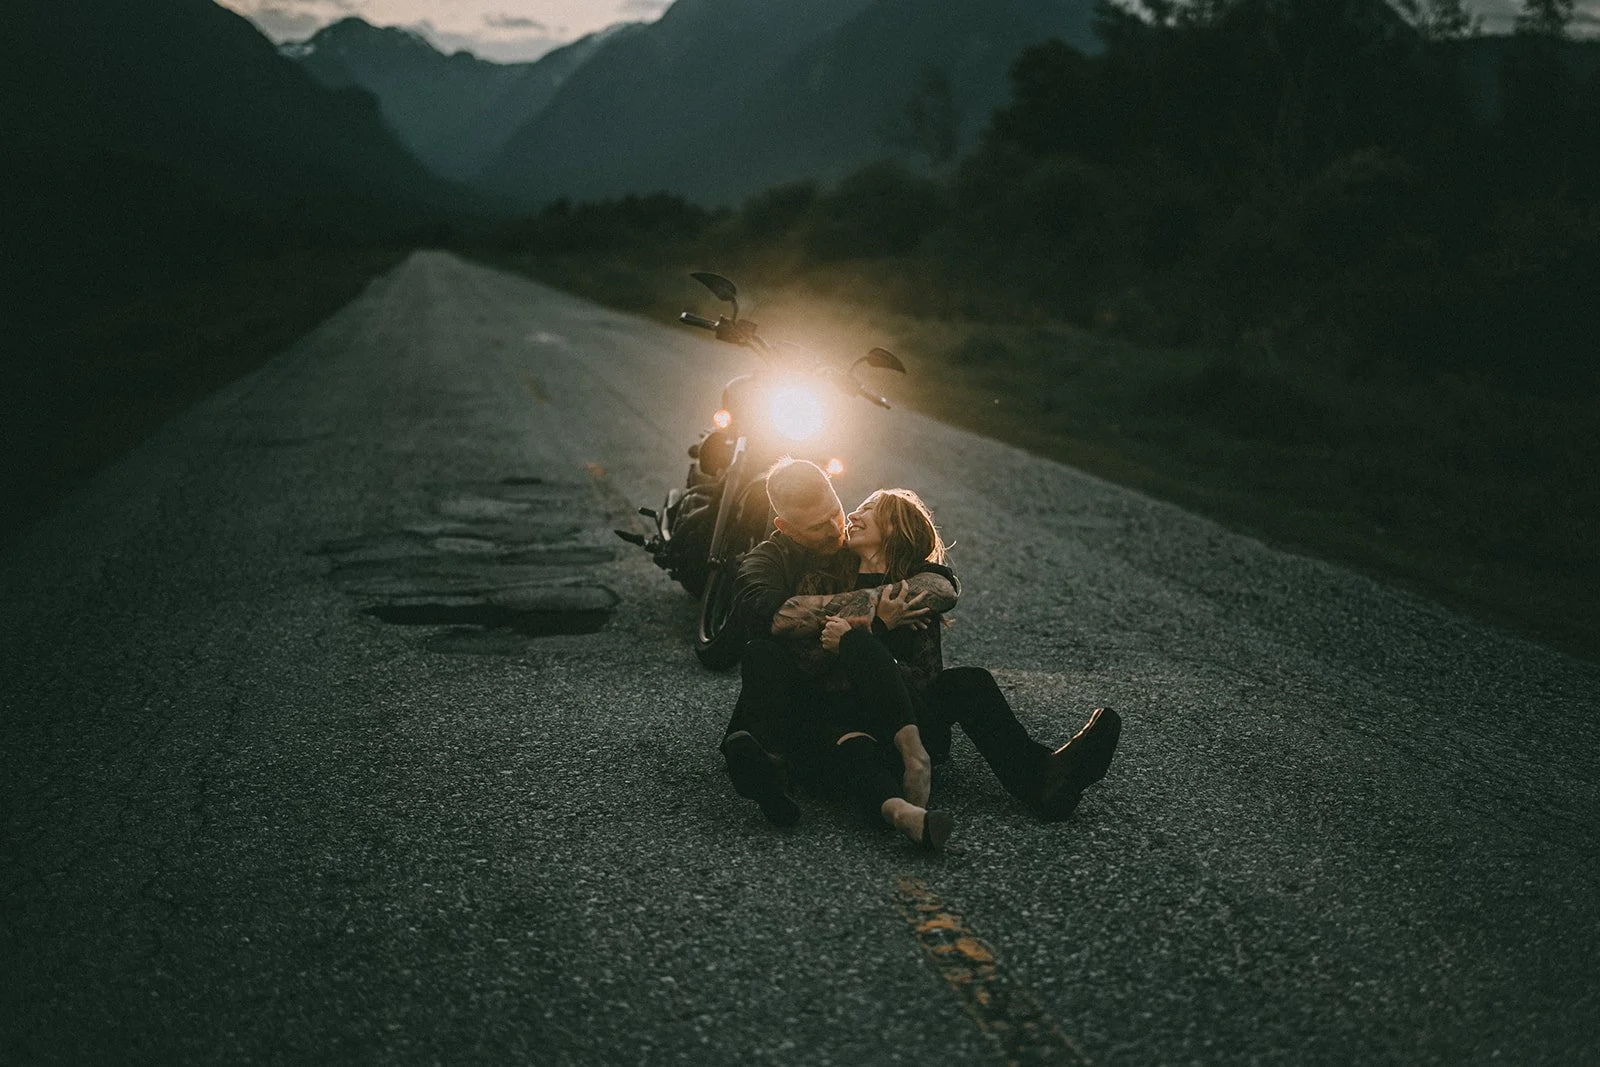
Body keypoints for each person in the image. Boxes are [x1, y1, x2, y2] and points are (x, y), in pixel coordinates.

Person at [720, 459, 1121, 847]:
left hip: (901, 711)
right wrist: (879, 619)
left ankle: (1044, 779)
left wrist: (880, 639)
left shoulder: (903, 573)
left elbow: (942, 591)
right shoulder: (783, 563)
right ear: (785, 527)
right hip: (831, 711)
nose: (838, 527)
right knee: (766, 656)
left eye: (841, 511)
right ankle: (776, 765)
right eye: (818, 525)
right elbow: (774, 621)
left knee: (969, 681)